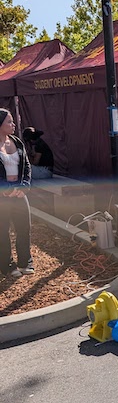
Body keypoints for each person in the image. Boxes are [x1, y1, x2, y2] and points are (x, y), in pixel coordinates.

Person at [0, 109, 33, 278]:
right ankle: (7, 265)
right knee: (2, 231)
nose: (13, 125)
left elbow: (26, 165)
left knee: (24, 227)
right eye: (9, 122)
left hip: (19, 191)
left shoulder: (17, 142)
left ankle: (25, 262)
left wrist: (24, 186)